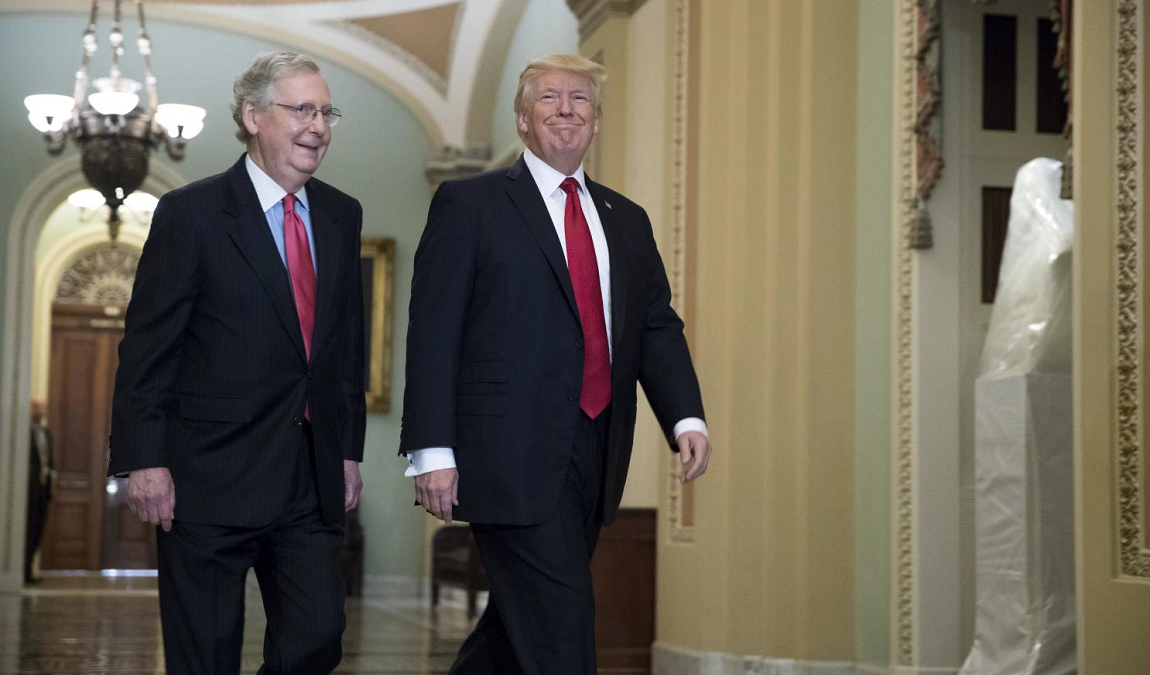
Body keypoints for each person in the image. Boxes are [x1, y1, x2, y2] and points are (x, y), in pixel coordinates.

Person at [400, 54, 712, 675]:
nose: (566, 109)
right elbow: (434, 332)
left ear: (596, 122)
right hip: (505, 453)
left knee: (515, 631)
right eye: (549, 98)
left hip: (596, 451)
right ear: (521, 118)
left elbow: (654, 326)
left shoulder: (628, 219)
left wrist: (685, 418)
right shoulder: (469, 205)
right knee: (562, 624)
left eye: (580, 100)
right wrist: (432, 451)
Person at [108, 51, 366, 675]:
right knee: (206, 655)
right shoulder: (191, 214)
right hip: (207, 480)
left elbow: (345, 345)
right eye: (300, 109)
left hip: (308, 479)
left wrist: (347, 449)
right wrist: (144, 460)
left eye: (325, 111)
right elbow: (148, 350)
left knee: (317, 638)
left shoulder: (341, 214)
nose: (318, 126)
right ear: (252, 115)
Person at [25, 398, 53, 583]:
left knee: (37, 529)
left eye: (43, 408)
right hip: (28, 490)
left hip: (43, 489)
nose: (40, 411)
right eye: (37, 407)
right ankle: (23, 571)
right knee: (27, 530)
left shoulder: (46, 433)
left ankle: (29, 568)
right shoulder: (24, 433)